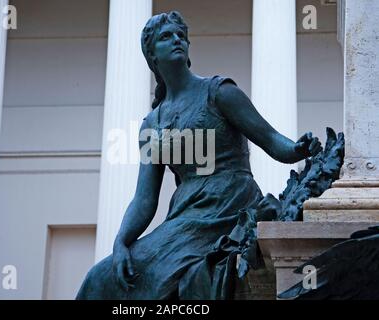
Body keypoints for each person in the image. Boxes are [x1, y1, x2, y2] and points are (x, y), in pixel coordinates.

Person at [76, 11, 321, 300]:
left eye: (181, 35)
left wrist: (297, 150)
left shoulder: (219, 92)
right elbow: (144, 199)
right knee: (99, 278)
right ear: (152, 56)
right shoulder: (151, 124)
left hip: (229, 202)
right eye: (166, 37)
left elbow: (270, 138)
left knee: (157, 274)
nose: (177, 39)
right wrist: (121, 242)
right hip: (187, 213)